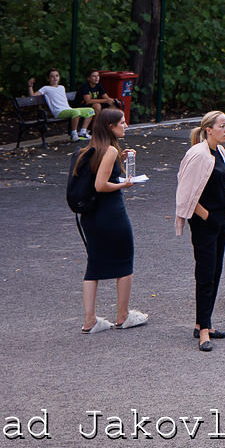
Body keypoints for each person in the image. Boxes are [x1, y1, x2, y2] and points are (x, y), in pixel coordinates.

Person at [71, 107, 145, 332]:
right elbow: (101, 185)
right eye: (121, 123)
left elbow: (98, 175)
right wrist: (124, 184)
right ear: (110, 127)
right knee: (124, 259)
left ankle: (90, 320)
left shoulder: (89, 149)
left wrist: (119, 160)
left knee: (93, 265)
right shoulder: (110, 150)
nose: (125, 126)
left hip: (91, 216)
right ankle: (123, 315)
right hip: (111, 213)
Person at [173, 111, 225, 352]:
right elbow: (186, 194)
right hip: (205, 222)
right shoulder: (197, 154)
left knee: (215, 271)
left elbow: (218, 183)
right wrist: (207, 216)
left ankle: (205, 322)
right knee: (204, 274)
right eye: (222, 126)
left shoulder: (220, 152)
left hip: (221, 219)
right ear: (208, 129)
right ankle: (202, 331)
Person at [31, 70, 95, 139]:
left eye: (57, 76)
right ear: (48, 79)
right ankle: (74, 134)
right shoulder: (45, 88)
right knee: (76, 112)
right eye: (52, 76)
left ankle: (83, 132)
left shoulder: (62, 87)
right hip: (58, 112)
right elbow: (33, 95)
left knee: (90, 110)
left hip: (68, 109)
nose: (55, 78)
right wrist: (30, 86)